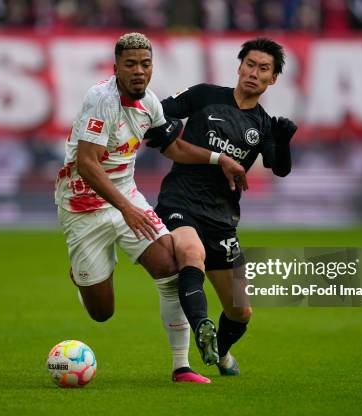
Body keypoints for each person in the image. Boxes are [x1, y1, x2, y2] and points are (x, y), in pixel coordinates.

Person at [54, 32, 247, 384]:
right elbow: (87, 164)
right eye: (130, 65)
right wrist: (126, 208)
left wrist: (220, 158)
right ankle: (84, 278)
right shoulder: (101, 100)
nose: (139, 71)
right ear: (116, 69)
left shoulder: (150, 105)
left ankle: (181, 367)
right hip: (83, 206)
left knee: (170, 265)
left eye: (145, 64)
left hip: (126, 197)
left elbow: (172, 146)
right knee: (102, 313)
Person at [152, 38, 297, 375]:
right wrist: (168, 127)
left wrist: (284, 141)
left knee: (240, 312)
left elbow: (279, 167)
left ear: (272, 79)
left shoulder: (262, 126)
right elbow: (159, 113)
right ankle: (203, 327)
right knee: (191, 254)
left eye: (263, 69)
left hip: (222, 217)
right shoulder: (204, 95)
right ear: (239, 66)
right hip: (181, 200)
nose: (254, 73)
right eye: (250, 64)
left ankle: (220, 351)